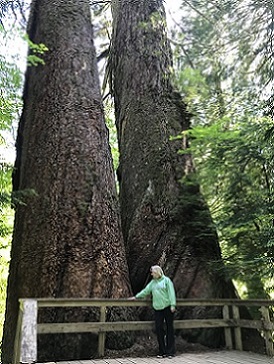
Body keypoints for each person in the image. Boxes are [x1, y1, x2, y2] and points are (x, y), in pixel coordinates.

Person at [129, 265, 176, 358]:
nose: (151, 274)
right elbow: (146, 291)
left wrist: (173, 304)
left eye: (153, 272)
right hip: (158, 308)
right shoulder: (153, 283)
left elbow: (171, 293)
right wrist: (136, 297)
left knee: (169, 329)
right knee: (159, 329)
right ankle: (162, 351)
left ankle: (170, 352)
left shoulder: (166, 281)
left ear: (158, 272)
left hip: (167, 307)